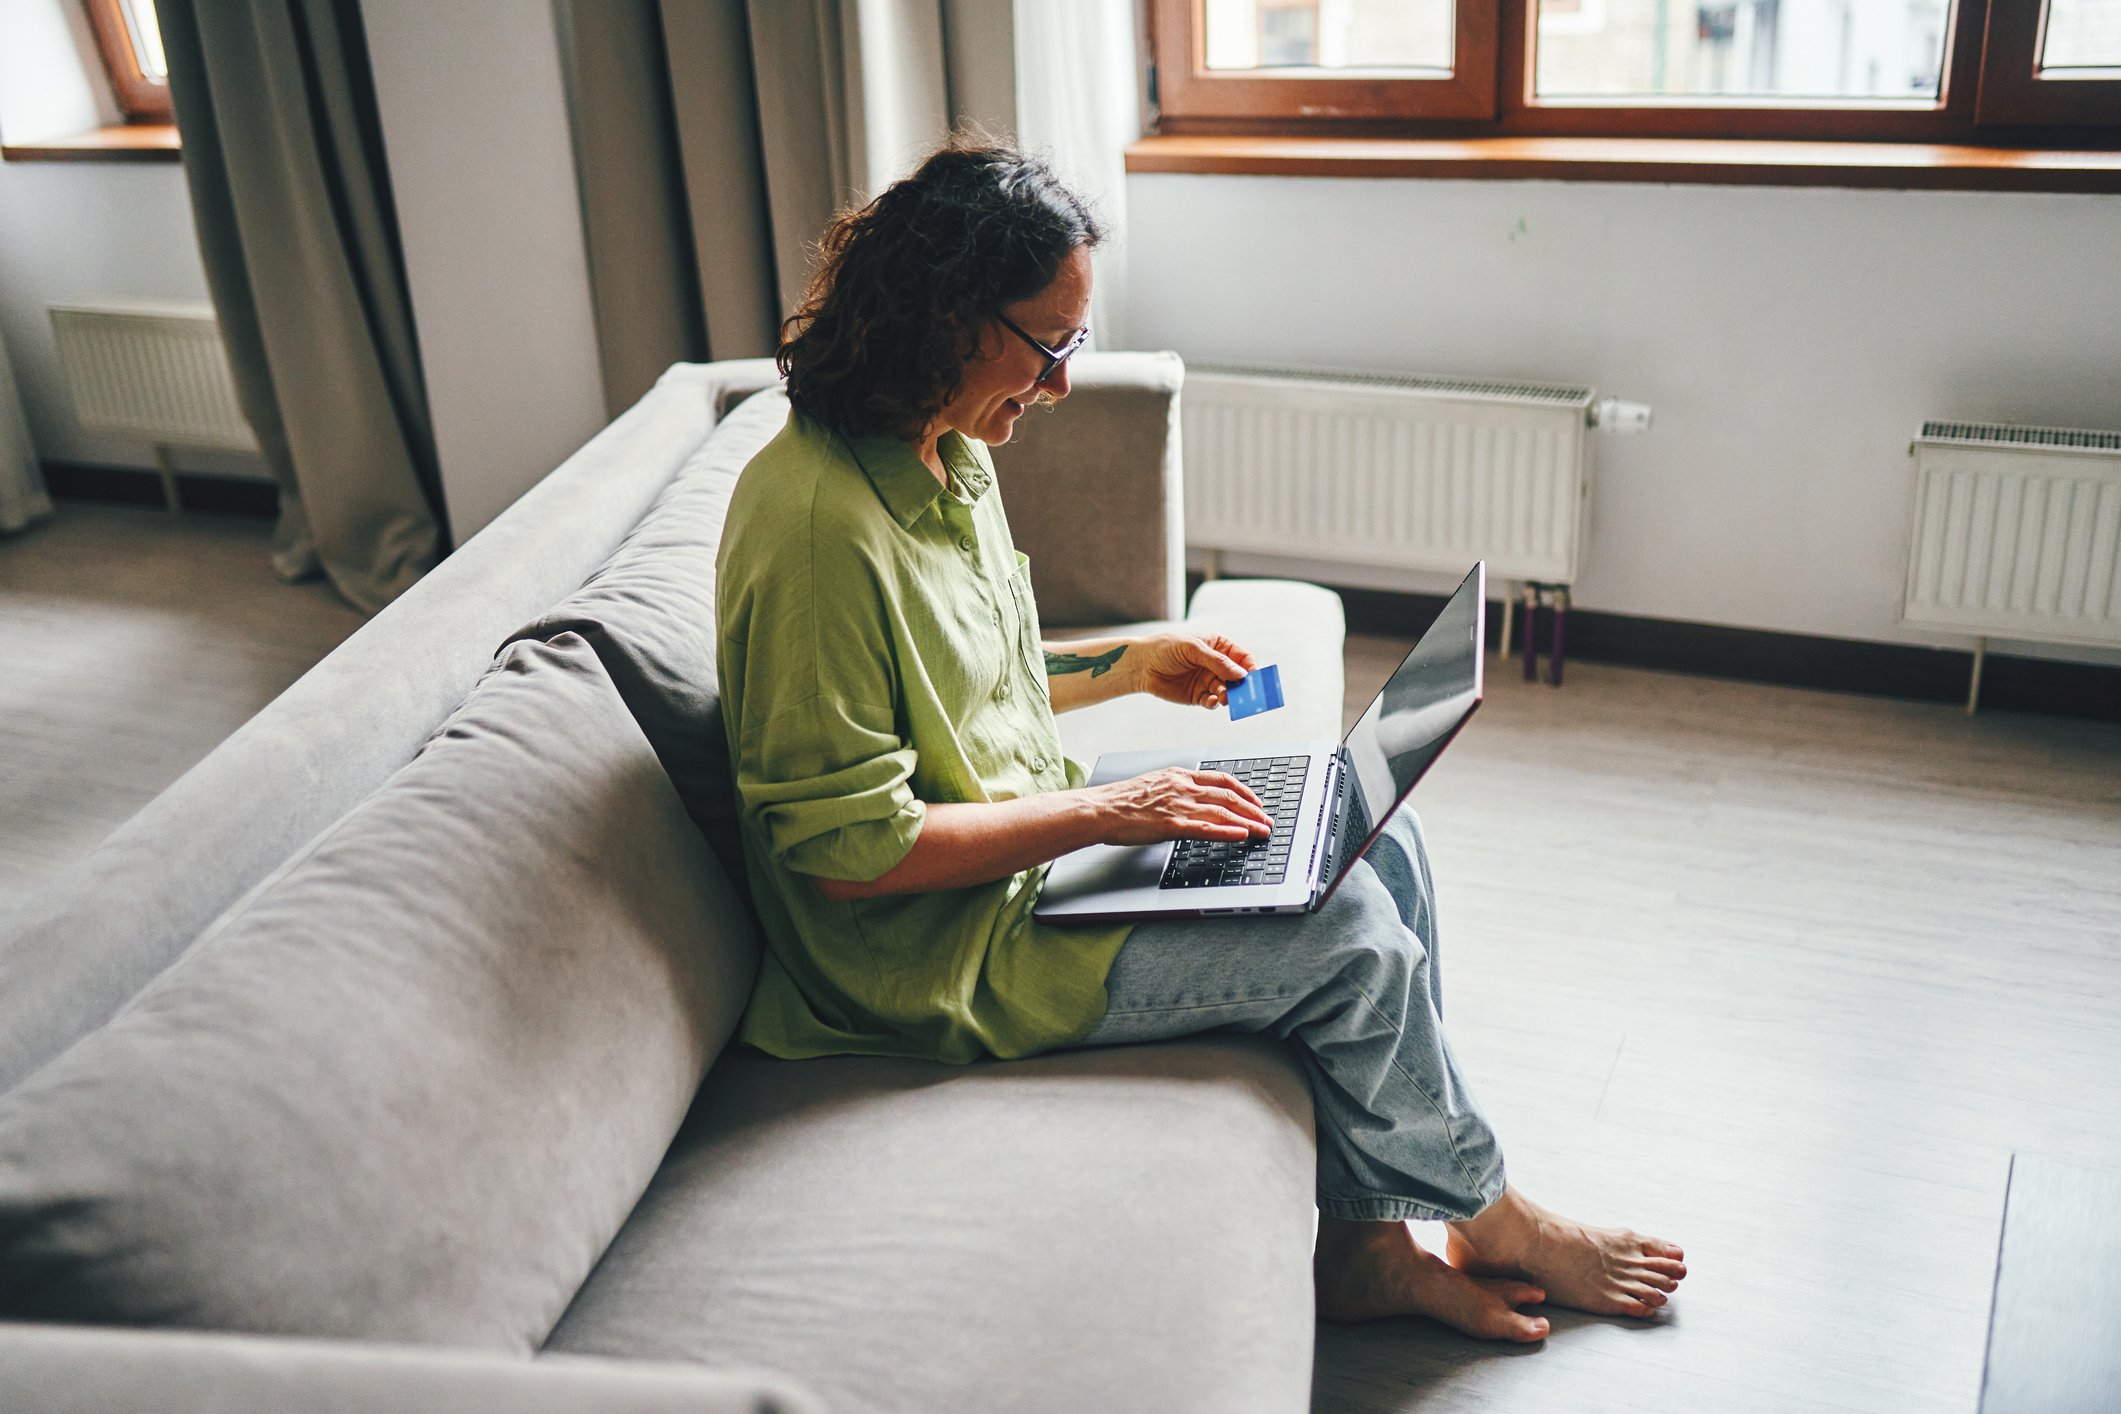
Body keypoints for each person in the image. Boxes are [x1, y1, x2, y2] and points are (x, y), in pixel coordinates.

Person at [715, 137, 1686, 1343]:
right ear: (949, 315)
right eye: (1051, 344)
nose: (1063, 384)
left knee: (1376, 835)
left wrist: (1128, 666)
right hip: (936, 953)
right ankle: (1493, 1210)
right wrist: (1113, 814)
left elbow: (975, 681)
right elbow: (849, 852)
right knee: (1340, 934)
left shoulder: (944, 448)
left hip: (1035, 867)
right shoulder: (815, 527)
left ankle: (1370, 1246)